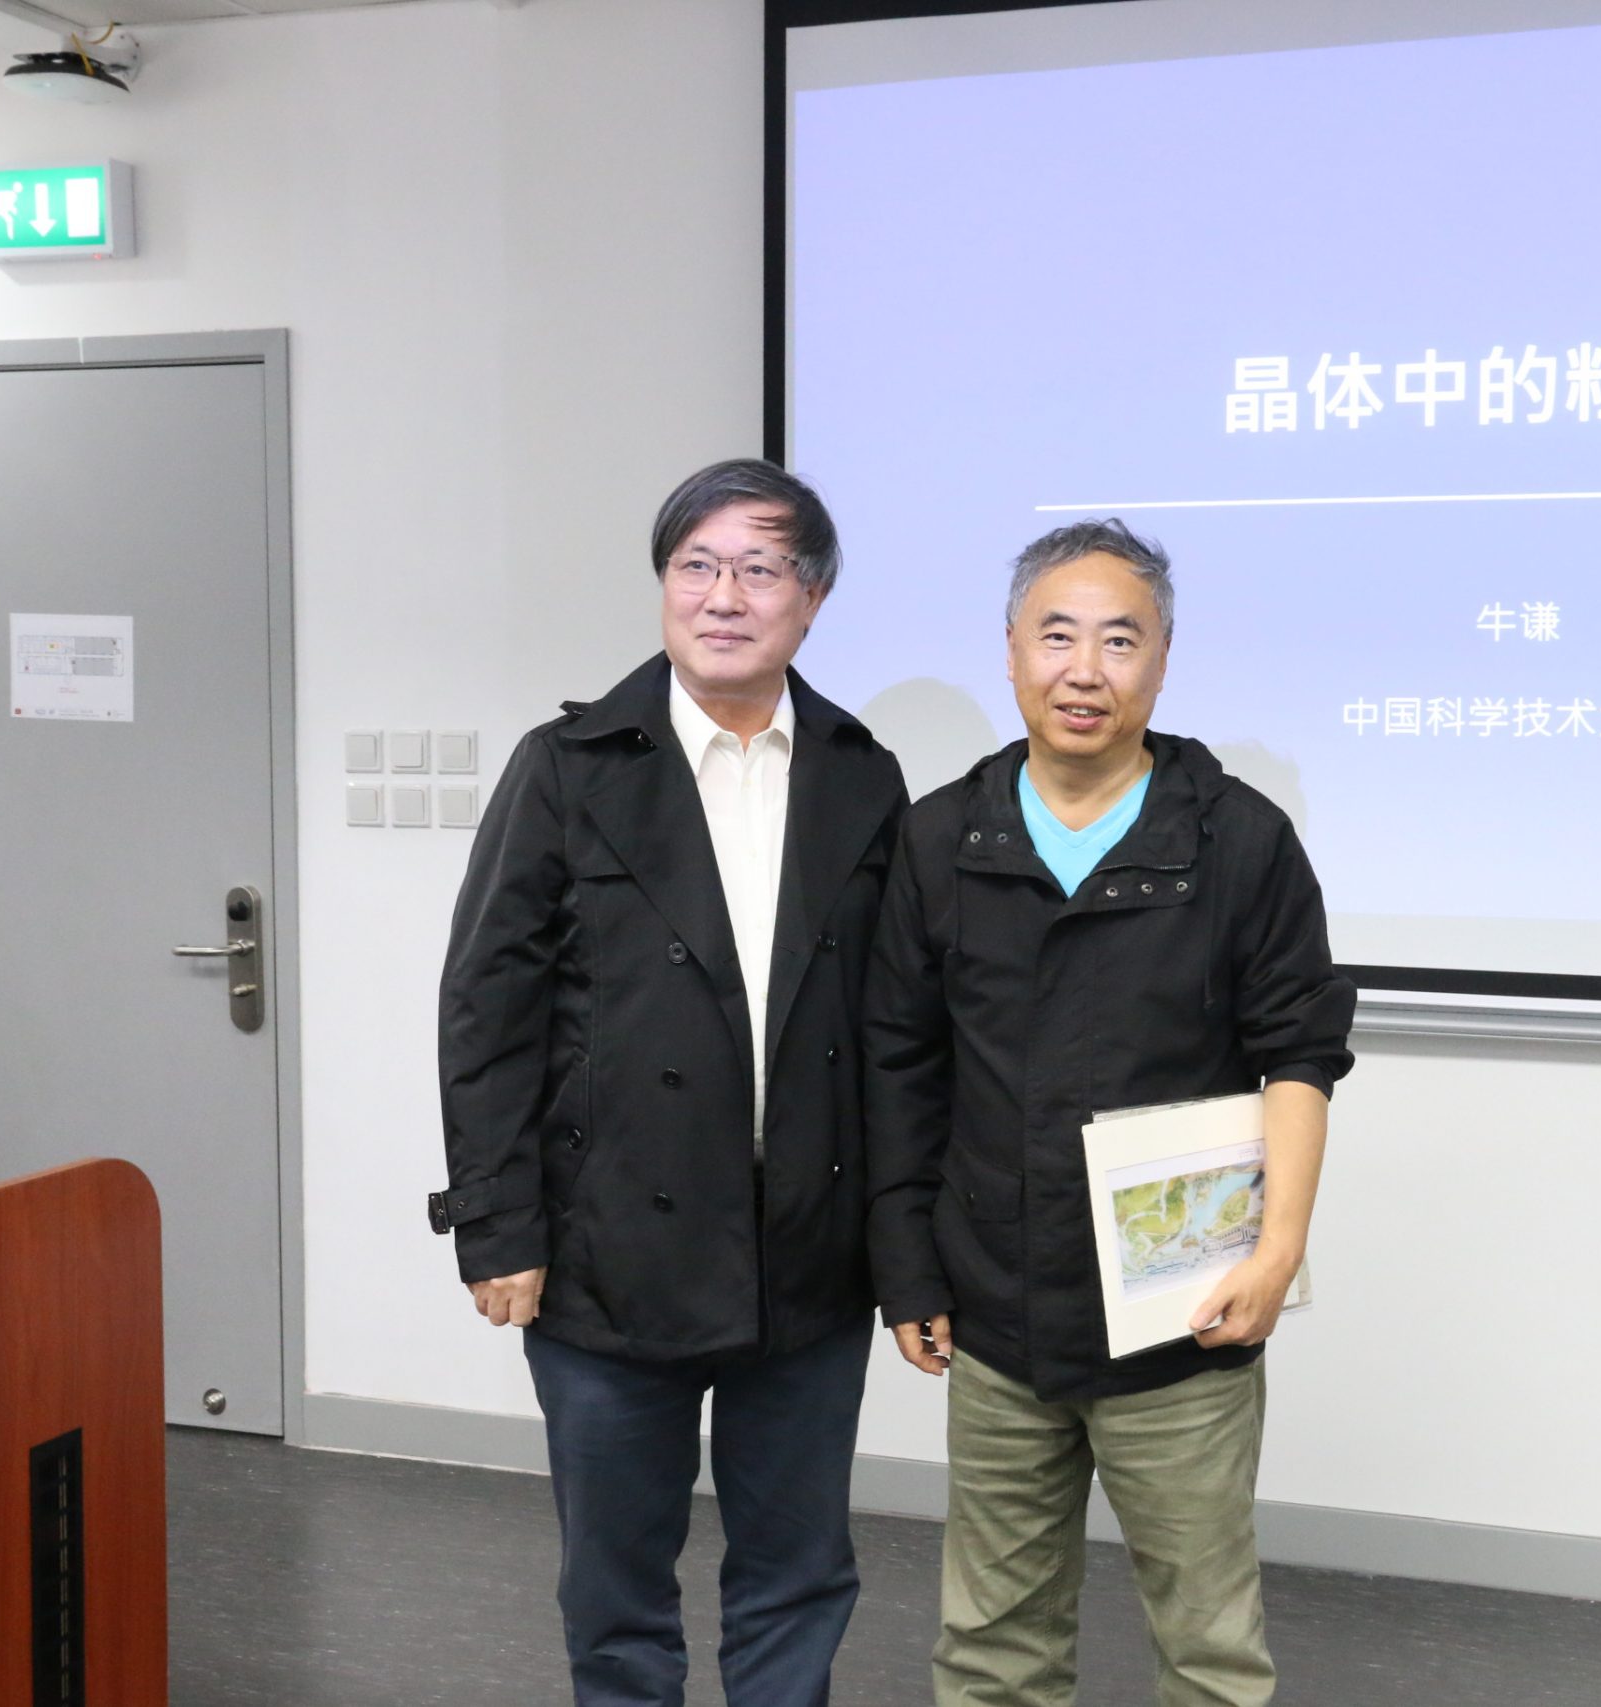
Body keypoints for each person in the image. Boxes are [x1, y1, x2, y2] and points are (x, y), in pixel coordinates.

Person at [433, 458, 907, 1706]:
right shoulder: (567, 765)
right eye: (695, 565)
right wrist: (497, 1224)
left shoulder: (861, 774)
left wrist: (903, 1247)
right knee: (615, 1584)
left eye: (759, 569)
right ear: (663, 586)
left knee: (798, 1576)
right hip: (607, 1252)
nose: (722, 597)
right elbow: (485, 1010)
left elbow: (892, 1032)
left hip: (807, 1255)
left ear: (812, 598)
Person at [864, 518, 1356, 1707]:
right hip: (995, 1312)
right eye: (1058, 637)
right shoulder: (941, 837)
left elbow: (1299, 1055)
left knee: (1208, 1646)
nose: (1085, 670)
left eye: (1119, 641)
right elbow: (900, 1065)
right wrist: (907, 1269)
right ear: (1011, 651)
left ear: (1162, 661)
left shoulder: (1238, 840)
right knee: (992, 1646)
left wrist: (1276, 1252)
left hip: (1181, 1315)